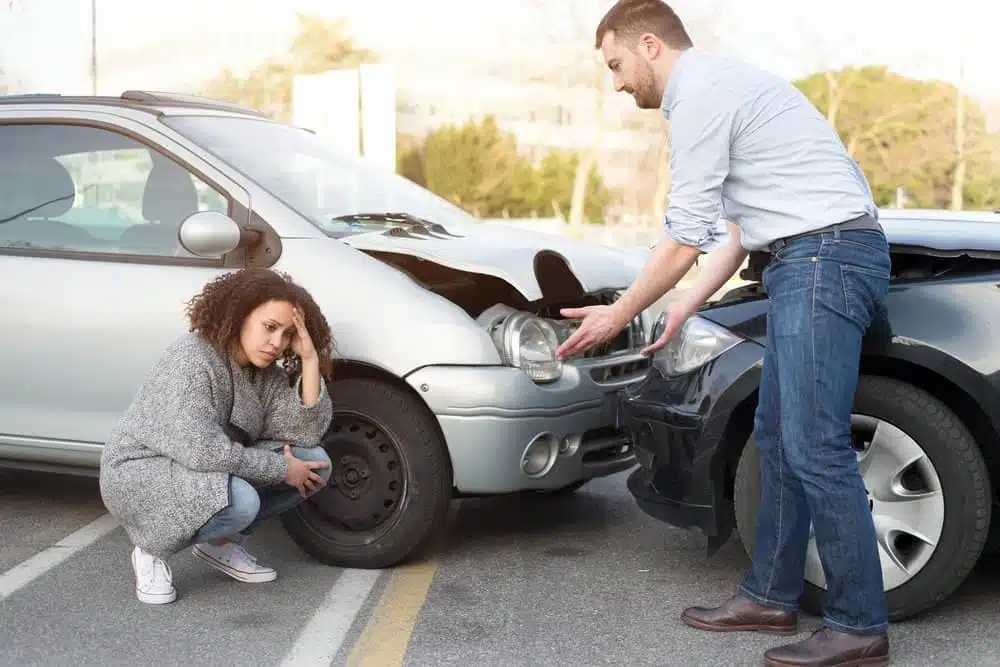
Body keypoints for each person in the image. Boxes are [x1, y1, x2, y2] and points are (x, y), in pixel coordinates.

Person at [557, 2, 892, 665]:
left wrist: (619, 312)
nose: (618, 83)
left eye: (617, 65)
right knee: (776, 437)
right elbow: (736, 232)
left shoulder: (702, 95)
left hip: (824, 260)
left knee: (814, 443)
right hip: (809, 260)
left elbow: (685, 235)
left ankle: (859, 623)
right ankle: (769, 594)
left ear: (649, 45)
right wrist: (684, 305)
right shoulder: (726, 86)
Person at [100, 268, 336, 605]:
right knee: (241, 500)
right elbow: (201, 451)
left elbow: (303, 432)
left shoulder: (262, 372)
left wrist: (309, 359)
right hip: (142, 471)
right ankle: (150, 548)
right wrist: (282, 469)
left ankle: (218, 543)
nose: (277, 343)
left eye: (287, 334)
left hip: (201, 468)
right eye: (269, 327)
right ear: (240, 315)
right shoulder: (192, 357)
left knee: (315, 463)